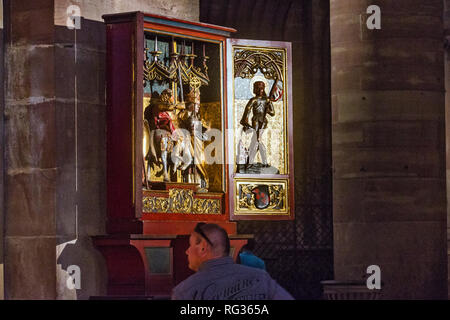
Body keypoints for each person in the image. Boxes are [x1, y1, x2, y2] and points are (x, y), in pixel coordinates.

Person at [171, 223, 294, 300]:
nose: (187, 251)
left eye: (190, 245)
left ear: (203, 247)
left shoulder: (186, 291)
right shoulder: (262, 279)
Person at [240, 81, 275, 167]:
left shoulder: (267, 100)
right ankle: (262, 162)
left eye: (262, 88)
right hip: (255, 120)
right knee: (256, 140)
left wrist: (268, 109)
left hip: (263, 121)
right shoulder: (254, 100)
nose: (260, 90)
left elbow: (273, 113)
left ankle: (251, 162)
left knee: (256, 140)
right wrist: (245, 121)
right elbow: (247, 110)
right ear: (255, 89)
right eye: (258, 88)